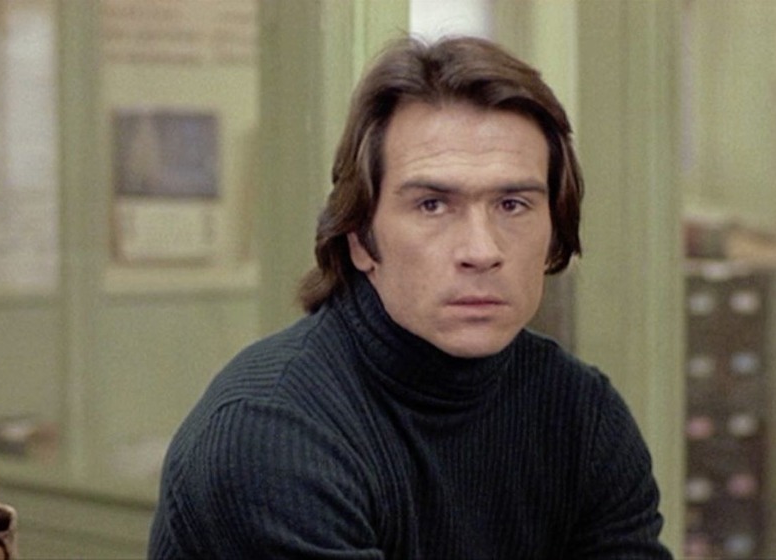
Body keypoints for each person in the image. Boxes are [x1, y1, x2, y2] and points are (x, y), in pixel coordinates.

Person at [149, 36, 672, 559]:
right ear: (359, 238)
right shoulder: (270, 432)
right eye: (432, 205)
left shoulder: (582, 414)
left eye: (512, 204)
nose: (481, 251)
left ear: (555, 229)